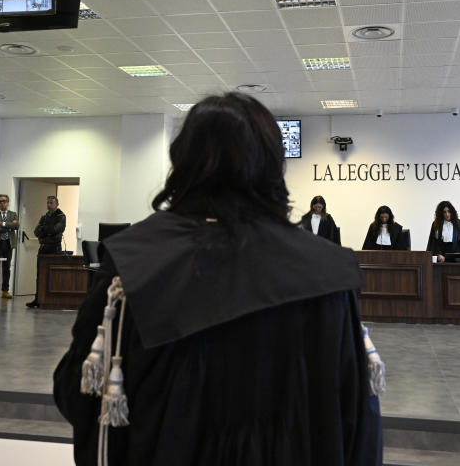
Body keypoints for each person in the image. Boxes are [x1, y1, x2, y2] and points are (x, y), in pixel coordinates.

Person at [52, 92, 382, 466]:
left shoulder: (134, 263)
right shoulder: (326, 273)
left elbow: (77, 392)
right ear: (274, 163)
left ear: (182, 160)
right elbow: (358, 421)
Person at [26, 195, 66, 308]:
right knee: (40, 275)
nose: (49, 205)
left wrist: (45, 230)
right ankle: (38, 299)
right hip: (43, 248)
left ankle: (53, 300)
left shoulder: (61, 216)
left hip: (55, 249)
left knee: (53, 275)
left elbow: (56, 230)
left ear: (57, 204)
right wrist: (46, 231)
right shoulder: (44, 217)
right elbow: (36, 232)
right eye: (47, 203)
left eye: (51, 203)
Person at [0, 194, 19, 299]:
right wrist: (9, 227)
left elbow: (17, 226)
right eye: (0, 201)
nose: (3, 203)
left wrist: (2, 224)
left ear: (8, 202)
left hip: (9, 243)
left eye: (4, 201)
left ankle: (5, 290)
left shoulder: (13, 214)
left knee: (7, 268)